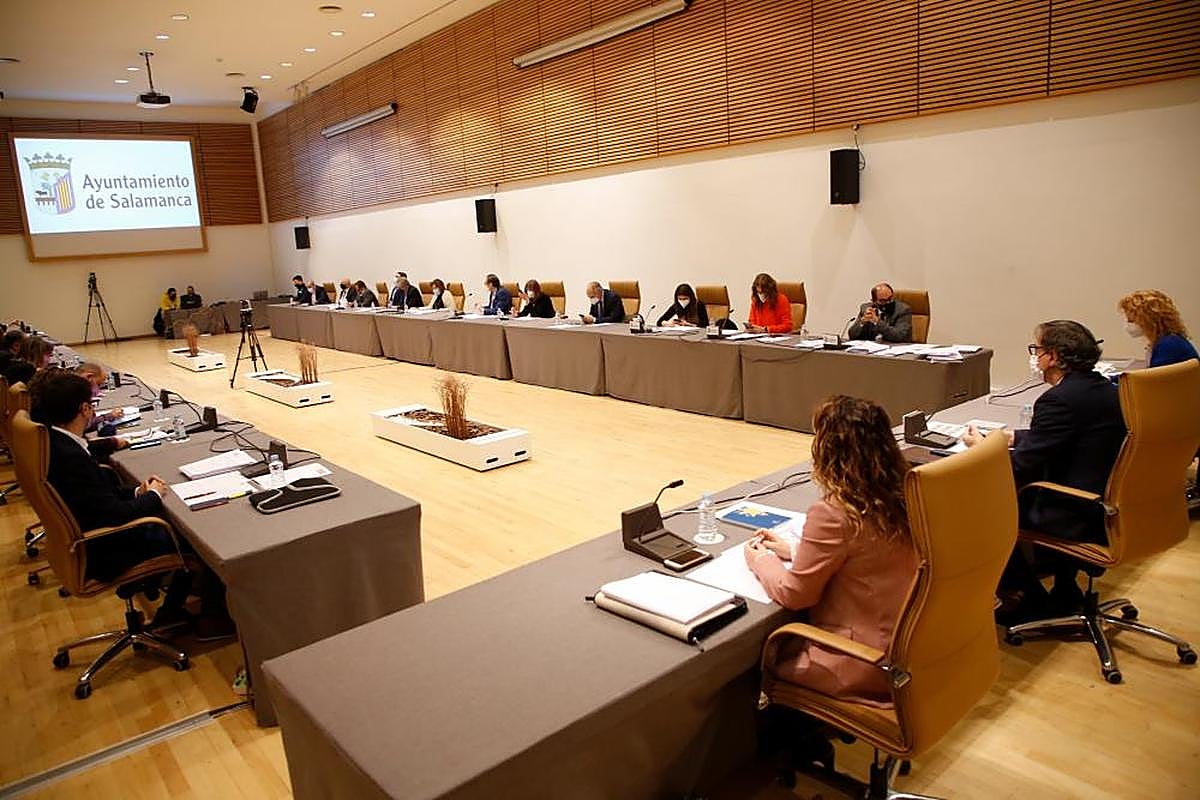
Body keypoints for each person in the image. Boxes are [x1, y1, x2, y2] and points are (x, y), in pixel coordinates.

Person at [745, 395, 918, 705]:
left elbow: (796, 595)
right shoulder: (904, 493)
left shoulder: (834, 513)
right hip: (911, 648)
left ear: (828, 451)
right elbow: (865, 557)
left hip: (863, 661)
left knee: (753, 668)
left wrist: (762, 560)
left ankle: (801, 748)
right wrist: (796, 550)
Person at [964, 320, 1125, 616]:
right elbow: (1074, 436)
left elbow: (1016, 468)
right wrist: (1016, 436)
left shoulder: (1057, 401)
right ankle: (1062, 586)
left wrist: (980, 448)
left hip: (1071, 511)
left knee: (978, 508)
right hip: (1106, 504)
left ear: (1053, 356)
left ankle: (1026, 597)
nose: (1035, 357)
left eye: (1037, 349)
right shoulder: (1105, 390)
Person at [36, 372, 193, 627]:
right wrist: (153, 495)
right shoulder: (71, 458)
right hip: (105, 550)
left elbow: (97, 497)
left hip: (84, 537)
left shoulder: (54, 443)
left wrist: (136, 492)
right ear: (85, 409)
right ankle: (177, 615)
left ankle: (154, 584)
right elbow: (115, 515)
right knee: (187, 531)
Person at [1118, 289, 1198, 367]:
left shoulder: (1168, 345)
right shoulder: (1170, 339)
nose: (1127, 324)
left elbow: (1154, 378)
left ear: (1149, 319)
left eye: (1131, 320)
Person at [848, 283, 912, 343]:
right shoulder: (866, 308)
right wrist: (862, 322)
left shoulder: (903, 310)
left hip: (895, 349)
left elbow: (900, 336)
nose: (888, 302)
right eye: (883, 301)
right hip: (872, 350)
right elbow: (852, 335)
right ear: (874, 301)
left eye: (890, 299)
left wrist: (877, 322)